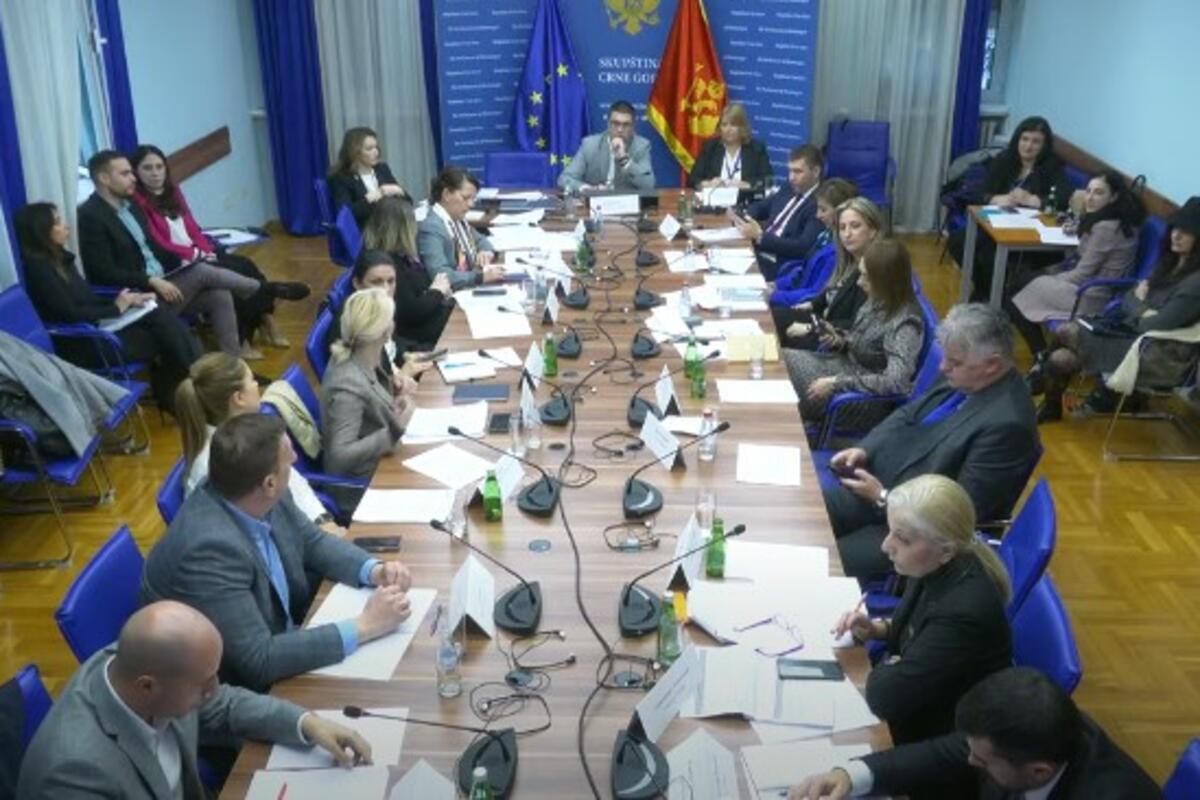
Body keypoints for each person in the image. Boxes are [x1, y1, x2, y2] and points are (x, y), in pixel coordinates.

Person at [140, 414, 413, 691]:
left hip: (290, 630)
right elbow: (258, 660)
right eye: (289, 457)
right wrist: (366, 625)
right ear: (269, 483)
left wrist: (373, 570)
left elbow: (312, 541)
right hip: (231, 690)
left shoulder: (250, 491)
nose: (295, 458)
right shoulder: (208, 550)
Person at [17, 600, 373, 799]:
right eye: (205, 683)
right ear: (147, 687)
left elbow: (223, 705)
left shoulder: (143, 666)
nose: (215, 689)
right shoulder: (72, 777)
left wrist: (306, 723)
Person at [825, 303, 1039, 578]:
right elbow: (907, 414)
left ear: (992, 365)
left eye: (954, 362)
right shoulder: (963, 374)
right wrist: (865, 448)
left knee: (824, 562)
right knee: (803, 518)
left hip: (917, 534)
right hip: (877, 489)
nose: (943, 366)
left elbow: (961, 510)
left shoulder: (1009, 425)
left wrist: (884, 498)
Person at [833, 476, 1011, 779]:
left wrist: (892, 662)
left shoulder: (964, 613)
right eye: (890, 531)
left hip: (938, 740)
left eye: (902, 538)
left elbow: (885, 698)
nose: (886, 545)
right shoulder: (934, 565)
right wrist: (877, 629)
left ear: (946, 550)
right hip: (919, 696)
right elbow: (917, 627)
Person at [787, 666, 1161, 800]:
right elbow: (943, 754)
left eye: (981, 759)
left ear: (1038, 772)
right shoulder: (1032, 736)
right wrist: (849, 775)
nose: (969, 760)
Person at [77, 150, 307, 357]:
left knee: (219, 294)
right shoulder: (91, 216)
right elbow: (102, 272)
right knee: (202, 272)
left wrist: (185, 260)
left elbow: (155, 248)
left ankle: (233, 364)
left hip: (165, 281)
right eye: (125, 173)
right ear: (104, 178)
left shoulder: (130, 207)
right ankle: (265, 289)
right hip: (139, 297)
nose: (133, 178)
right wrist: (150, 280)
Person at [14, 201, 200, 412]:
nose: (65, 226)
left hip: (98, 329)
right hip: (82, 343)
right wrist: (116, 309)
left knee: (158, 316)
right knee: (165, 335)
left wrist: (127, 300)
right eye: (57, 222)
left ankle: (190, 391)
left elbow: (87, 298)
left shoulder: (60, 260)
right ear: (41, 231)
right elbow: (70, 313)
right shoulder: (39, 271)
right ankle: (196, 387)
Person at [1032, 195, 1200, 421]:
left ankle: (1039, 380)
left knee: (1067, 334)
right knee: (1063, 351)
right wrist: (1142, 307)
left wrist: (1139, 305)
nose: (1176, 235)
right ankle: (1048, 397)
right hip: (1131, 333)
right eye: (1175, 228)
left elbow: (1157, 323)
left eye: (1186, 232)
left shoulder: (1195, 282)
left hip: (1156, 351)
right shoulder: (1170, 263)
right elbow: (1130, 296)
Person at [175, 352, 340, 533]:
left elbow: (293, 483)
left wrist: (322, 520)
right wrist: (322, 528)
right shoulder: (222, 462)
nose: (257, 385)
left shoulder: (248, 433)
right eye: (252, 379)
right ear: (239, 398)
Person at [784, 238, 925, 433]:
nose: (859, 283)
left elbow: (896, 382)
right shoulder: (879, 298)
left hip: (862, 401)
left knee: (782, 380)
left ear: (885, 280)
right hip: (842, 370)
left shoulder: (906, 322)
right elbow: (864, 341)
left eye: (866, 277)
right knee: (781, 360)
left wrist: (836, 383)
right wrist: (840, 340)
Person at [1010, 171, 1145, 356]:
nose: (1090, 198)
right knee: (1021, 282)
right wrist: (1079, 227)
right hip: (1092, 286)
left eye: (1098, 193)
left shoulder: (1106, 227)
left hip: (1092, 295)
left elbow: (1083, 273)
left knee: (1016, 291)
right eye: (1088, 191)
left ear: (1114, 197)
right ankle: (1041, 354)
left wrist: (1051, 279)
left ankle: (1040, 353)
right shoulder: (1114, 219)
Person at [948, 116, 1074, 301]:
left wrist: (1034, 200)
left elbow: (1064, 197)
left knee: (989, 253)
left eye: (1036, 142)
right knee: (957, 242)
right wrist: (994, 198)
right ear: (1017, 139)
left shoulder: (1052, 166)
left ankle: (993, 297)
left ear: (1044, 145)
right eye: (1025, 139)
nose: (1028, 146)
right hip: (997, 223)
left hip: (1028, 233)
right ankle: (986, 289)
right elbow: (979, 192)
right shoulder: (1005, 159)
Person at [321, 288, 413, 510]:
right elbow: (339, 457)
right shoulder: (347, 384)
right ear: (385, 331)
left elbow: (371, 408)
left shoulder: (365, 356)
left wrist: (395, 398)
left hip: (382, 464)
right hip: (363, 488)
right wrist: (394, 429)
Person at [776, 197, 887, 351]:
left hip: (837, 339)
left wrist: (811, 327)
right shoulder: (847, 260)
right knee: (773, 316)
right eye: (842, 228)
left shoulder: (874, 269)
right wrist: (812, 304)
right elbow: (832, 292)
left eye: (855, 226)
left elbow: (859, 323)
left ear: (873, 230)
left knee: (776, 331)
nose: (847, 234)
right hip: (823, 321)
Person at [362, 197, 454, 354]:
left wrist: (437, 290)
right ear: (403, 229)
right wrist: (437, 291)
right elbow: (412, 312)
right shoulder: (387, 266)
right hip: (415, 336)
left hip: (429, 318)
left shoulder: (401, 255)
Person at [730, 144, 826, 280]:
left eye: (798, 172)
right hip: (759, 251)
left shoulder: (820, 204)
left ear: (816, 172)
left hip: (780, 265)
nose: (791, 177)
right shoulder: (789, 188)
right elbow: (761, 207)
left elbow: (802, 247)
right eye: (790, 171)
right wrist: (744, 216)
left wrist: (760, 236)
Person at [417, 166, 504, 290]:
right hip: (452, 296)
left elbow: (480, 239)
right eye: (465, 198)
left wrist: (486, 251)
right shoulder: (431, 228)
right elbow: (441, 275)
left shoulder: (457, 219)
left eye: (473, 199)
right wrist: (479, 277)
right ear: (447, 194)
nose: (471, 204)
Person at [558, 100, 656, 193]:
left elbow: (649, 185)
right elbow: (565, 179)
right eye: (615, 123)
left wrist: (624, 160)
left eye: (626, 125)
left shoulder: (641, 146)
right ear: (608, 123)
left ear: (633, 126)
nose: (620, 129)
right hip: (596, 202)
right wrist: (588, 189)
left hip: (627, 202)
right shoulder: (590, 145)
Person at [327, 126, 408, 227]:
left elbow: (408, 203)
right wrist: (372, 197)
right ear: (355, 152)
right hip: (368, 229)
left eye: (376, 147)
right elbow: (347, 215)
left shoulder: (382, 169)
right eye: (369, 149)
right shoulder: (341, 177)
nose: (376, 152)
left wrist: (398, 190)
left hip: (392, 224)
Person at [687, 102, 773, 190]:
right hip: (715, 197)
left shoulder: (756, 149)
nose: (728, 130)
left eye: (733, 125)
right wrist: (708, 184)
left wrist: (746, 185)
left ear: (742, 127)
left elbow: (768, 181)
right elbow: (693, 179)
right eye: (724, 125)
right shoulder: (710, 147)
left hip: (745, 198)